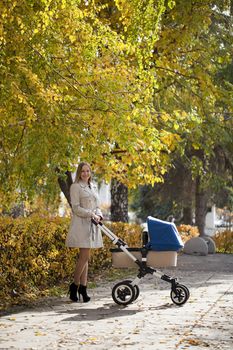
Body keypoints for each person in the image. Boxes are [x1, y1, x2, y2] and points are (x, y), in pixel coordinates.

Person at [65, 162, 103, 302]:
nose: (85, 173)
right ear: (79, 173)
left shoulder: (93, 186)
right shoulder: (75, 187)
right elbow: (75, 208)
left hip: (92, 225)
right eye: (83, 171)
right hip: (81, 225)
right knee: (84, 257)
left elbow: (97, 206)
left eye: (88, 171)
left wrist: (98, 214)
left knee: (85, 258)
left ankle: (83, 288)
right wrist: (91, 214)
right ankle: (75, 286)